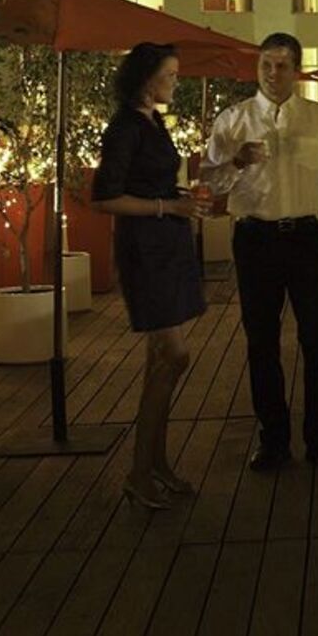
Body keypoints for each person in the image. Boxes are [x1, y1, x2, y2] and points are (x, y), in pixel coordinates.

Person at [201, 33, 318, 471]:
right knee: (262, 341)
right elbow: (210, 183)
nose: (273, 72)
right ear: (257, 67)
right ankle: (274, 440)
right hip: (255, 237)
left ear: (297, 70)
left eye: (283, 65)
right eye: (266, 63)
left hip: (306, 236)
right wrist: (238, 161)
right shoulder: (234, 120)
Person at [91, 43, 207, 509]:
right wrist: (167, 206)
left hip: (167, 244)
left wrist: (179, 198)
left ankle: (154, 464)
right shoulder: (124, 128)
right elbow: (104, 198)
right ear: (147, 78)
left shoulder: (151, 122)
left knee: (160, 359)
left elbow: (150, 182)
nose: (175, 83)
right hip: (146, 250)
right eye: (171, 75)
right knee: (173, 355)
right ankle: (140, 471)